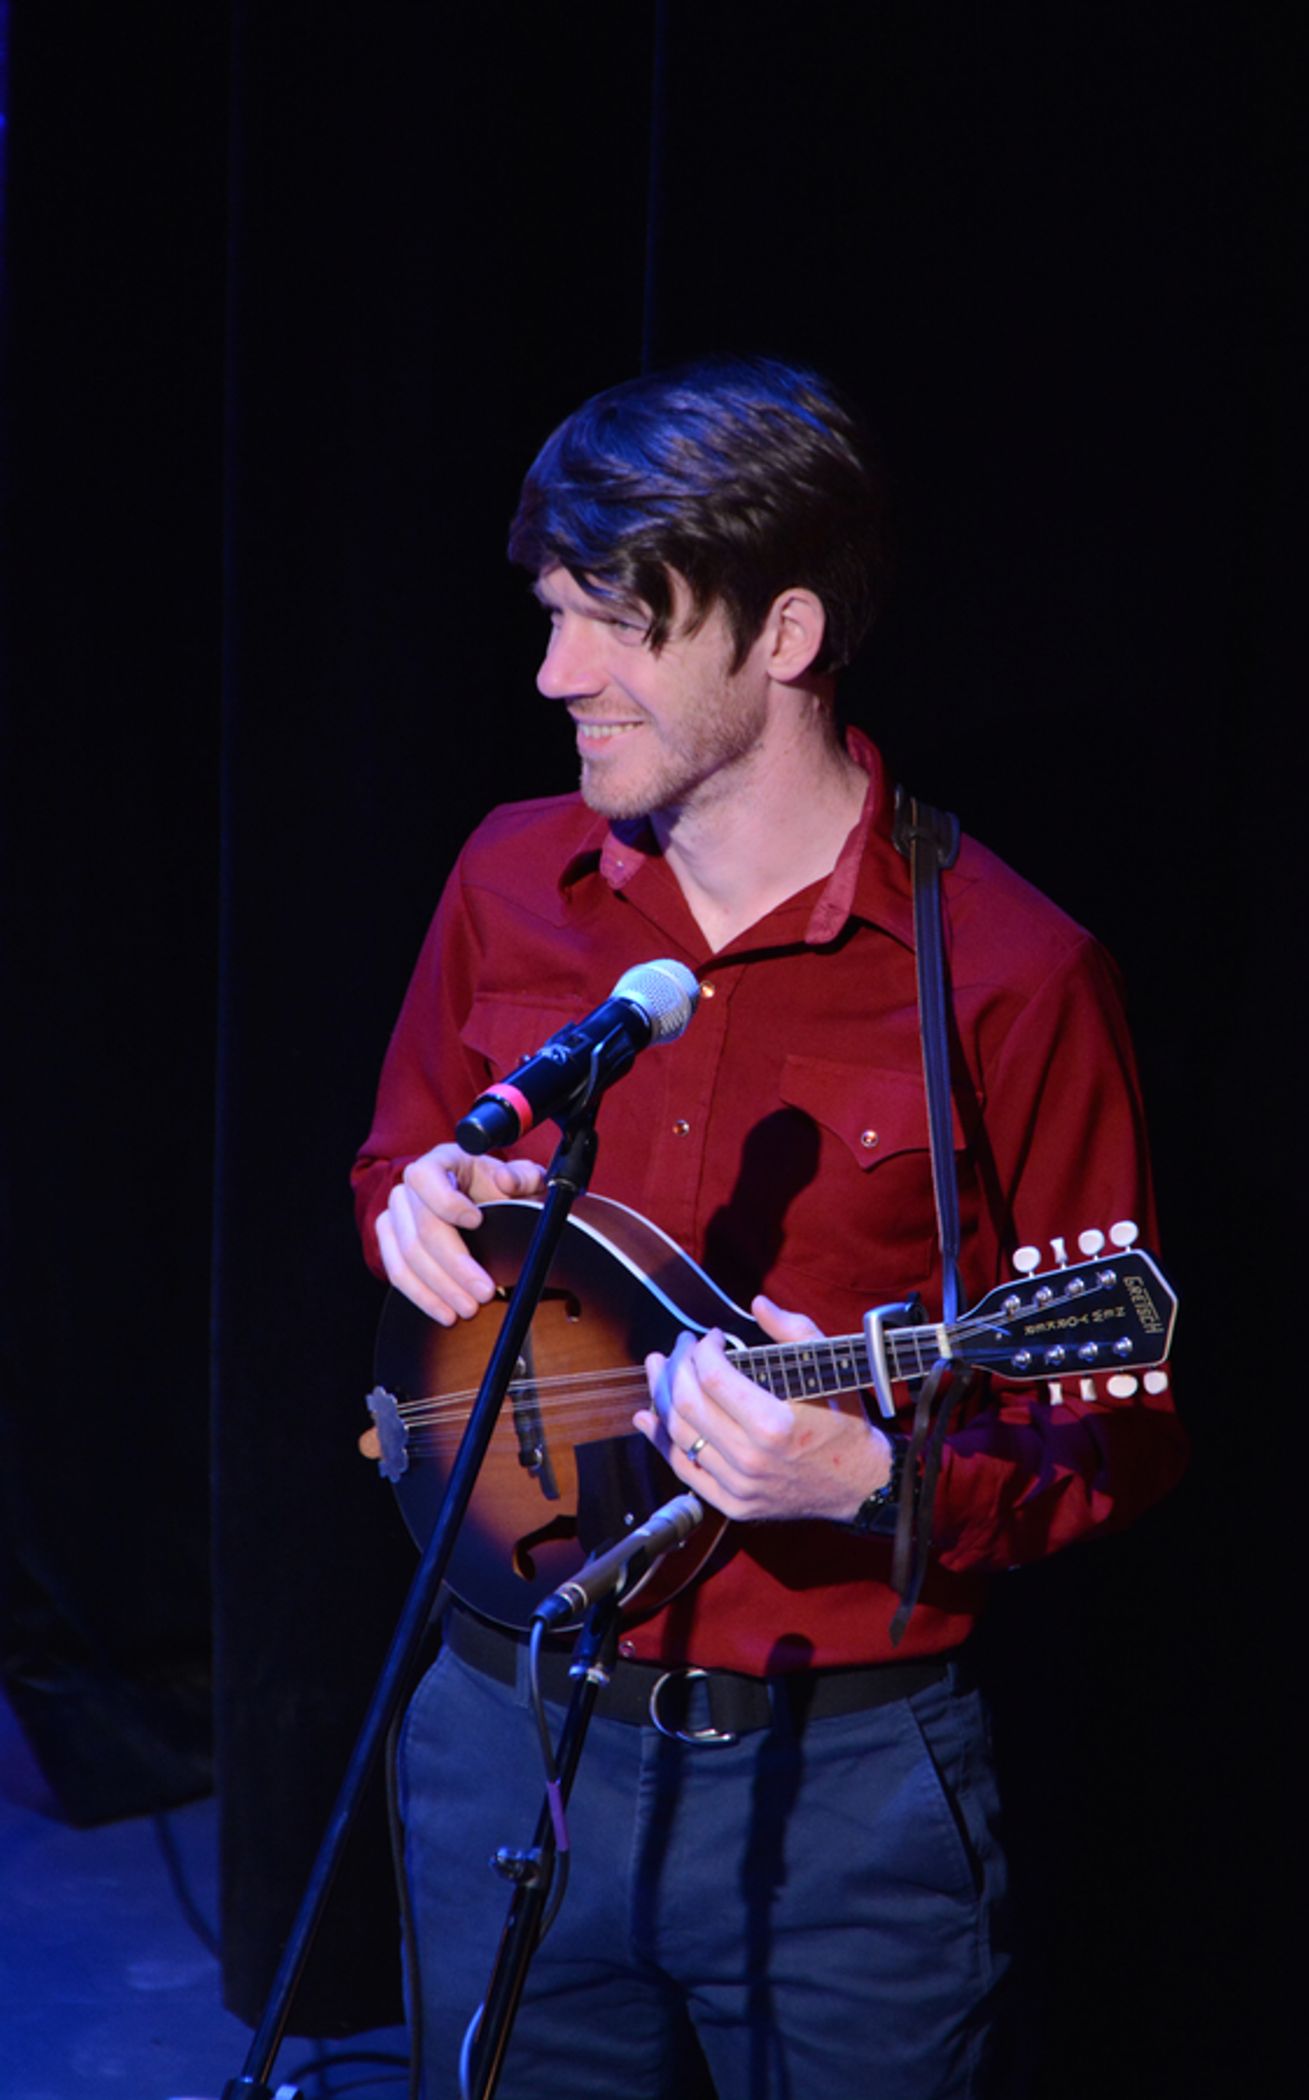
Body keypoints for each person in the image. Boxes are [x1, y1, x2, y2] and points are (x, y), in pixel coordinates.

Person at [351, 355, 1187, 2100]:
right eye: (552, 612)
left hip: (843, 1806)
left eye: (616, 625)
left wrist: (871, 1485)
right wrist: (416, 1214)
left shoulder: (1016, 979)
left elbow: (1113, 1441)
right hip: (500, 1736)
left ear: (784, 634)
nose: (553, 671)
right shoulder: (513, 879)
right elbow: (396, 1166)